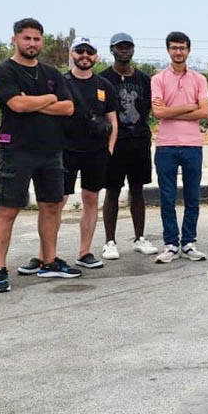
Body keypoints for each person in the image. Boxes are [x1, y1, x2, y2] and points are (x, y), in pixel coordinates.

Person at [0, 18, 79, 292]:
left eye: (36, 39)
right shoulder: (3, 72)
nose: (32, 43)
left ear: (42, 41)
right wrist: (49, 99)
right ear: (14, 39)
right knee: (8, 209)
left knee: (51, 206)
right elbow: (16, 104)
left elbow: (68, 108)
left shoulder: (51, 72)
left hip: (51, 151)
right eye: (26, 38)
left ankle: (49, 262)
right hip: (16, 150)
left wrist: (36, 102)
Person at [150, 31, 208, 263]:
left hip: (192, 145)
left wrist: (171, 110)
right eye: (174, 48)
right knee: (167, 196)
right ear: (168, 50)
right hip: (166, 145)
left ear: (188, 50)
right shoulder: (158, 79)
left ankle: (189, 242)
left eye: (182, 48)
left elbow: (204, 112)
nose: (178, 52)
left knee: (192, 196)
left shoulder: (199, 79)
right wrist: (189, 106)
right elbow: (158, 113)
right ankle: (171, 244)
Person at [99, 33, 159, 258]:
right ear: (112, 50)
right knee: (112, 190)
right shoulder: (103, 79)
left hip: (139, 141)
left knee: (137, 190)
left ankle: (140, 238)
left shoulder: (144, 79)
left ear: (133, 50)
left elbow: (149, 108)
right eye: (119, 47)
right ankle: (110, 241)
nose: (124, 50)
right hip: (114, 143)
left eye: (128, 47)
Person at [61, 37, 118, 270]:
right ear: (72, 53)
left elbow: (112, 120)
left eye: (90, 51)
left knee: (91, 200)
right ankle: (47, 255)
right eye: (80, 51)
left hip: (95, 152)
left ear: (96, 56)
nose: (85, 55)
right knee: (56, 202)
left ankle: (84, 252)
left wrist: (109, 148)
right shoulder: (60, 82)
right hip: (65, 151)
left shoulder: (104, 85)